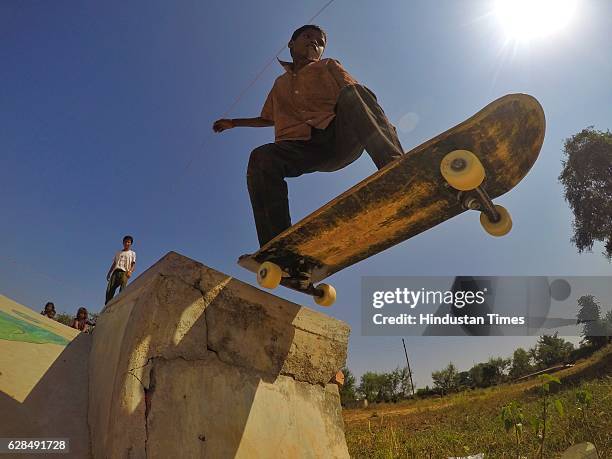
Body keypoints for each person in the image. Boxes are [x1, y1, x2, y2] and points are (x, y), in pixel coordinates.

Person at [213, 24, 404, 252]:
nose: (314, 42)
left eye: (320, 41)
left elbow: (360, 98)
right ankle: (278, 247)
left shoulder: (329, 65)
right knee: (262, 157)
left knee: (353, 93)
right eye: (308, 37)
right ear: (291, 45)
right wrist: (234, 123)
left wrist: (386, 131)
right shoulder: (279, 84)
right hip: (303, 147)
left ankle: (396, 167)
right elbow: (267, 118)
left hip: (338, 136)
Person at [105, 235, 136, 304]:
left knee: (122, 288)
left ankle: (121, 303)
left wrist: (130, 272)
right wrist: (109, 273)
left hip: (125, 272)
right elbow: (114, 263)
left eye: (128, 242)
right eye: (125, 242)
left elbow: (133, 265)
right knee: (110, 289)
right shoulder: (118, 252)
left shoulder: (132, 253)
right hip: (116, 272)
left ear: (131, 243)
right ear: (123, 243)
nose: (127, 243)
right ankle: (107, 304)